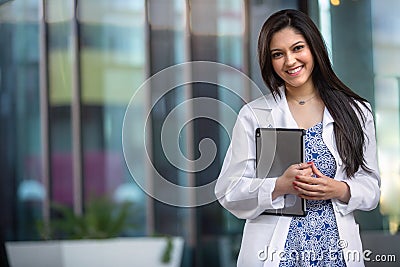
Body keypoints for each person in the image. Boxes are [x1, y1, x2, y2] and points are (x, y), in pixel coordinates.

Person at [215, 9, 380, 267]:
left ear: (314, 48)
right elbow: (228, 191)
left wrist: (339, 189)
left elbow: (371, 187)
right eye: (278, 54)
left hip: (336, 254)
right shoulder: (255, 115)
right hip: (273, 254)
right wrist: (279, 185)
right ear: (269, 61)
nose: (290, 61)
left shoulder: (357, 112)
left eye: (298, 48)